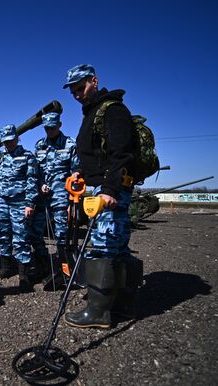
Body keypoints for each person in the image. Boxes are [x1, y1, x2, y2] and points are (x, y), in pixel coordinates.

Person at [62, 64, 143, 329]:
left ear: (94, 81)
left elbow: (122, 155)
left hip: (112, 192)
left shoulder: (112, 110)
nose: (76, 94)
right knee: (117, 247)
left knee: (103, 247)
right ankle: (121, 304)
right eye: (72, 91)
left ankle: (98, 310)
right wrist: (80, 175)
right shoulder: (92, 113)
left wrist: (109, 191)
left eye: (80, 88)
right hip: (103, 188)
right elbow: (98, 157)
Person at [31, 112, 79, 288]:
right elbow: (36, 171)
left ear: (59, 125)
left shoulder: (70, 144)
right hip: (43, 198)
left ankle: (63, 272)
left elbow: (76, 174)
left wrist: (72, 202)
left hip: (61, 197)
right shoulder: (40, 145)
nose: (50, 130)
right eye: (47, 128)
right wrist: (41, 184)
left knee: (62, 235)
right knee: (34, 232)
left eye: (52, 127)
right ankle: (44, 265)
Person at [0, 124, 38, 292]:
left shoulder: (27, 156)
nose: (8, 144)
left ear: (17, 138)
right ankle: (5, 267)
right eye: (5, 141)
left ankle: (23, 275)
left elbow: (32, 181)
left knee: (21, 237)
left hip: (19, 202)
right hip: (1, 201)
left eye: (11, 140)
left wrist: (30, 203)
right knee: (2, 234)